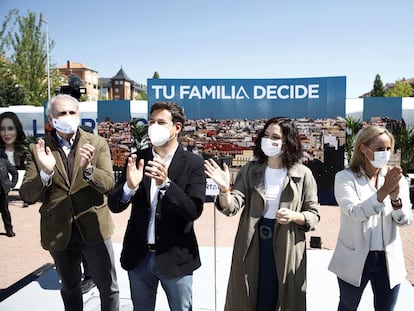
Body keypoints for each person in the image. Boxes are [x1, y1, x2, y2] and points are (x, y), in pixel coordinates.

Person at [204, 117, 320, 311]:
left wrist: (294, 216)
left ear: (287, 141)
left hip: (287, 242)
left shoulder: (303, 174)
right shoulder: (250, 170)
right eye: (266, 135)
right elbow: (232, 206)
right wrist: (224, 190)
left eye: (275, 136)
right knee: (251, 295)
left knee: (281, 296)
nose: (269, 140)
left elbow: (314, 215)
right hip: (253, 241)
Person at [19, 94, 120, 310]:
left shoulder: (97, 143)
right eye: (61, 113)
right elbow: (27, 194)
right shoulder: (37, 149)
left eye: (72, 112)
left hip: (94, 228)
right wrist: (45, 172)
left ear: (79, 115)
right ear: (51, 119)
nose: (67, 117)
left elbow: (109, 184)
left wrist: (88, 170)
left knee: (108, 288)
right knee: (70, 288)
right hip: (58, 230)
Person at [108, 101, 206, 311]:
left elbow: (193, 210)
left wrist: (166, 185)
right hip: (139, 256)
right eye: (151, 122)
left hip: (176, 258)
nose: (153, 126)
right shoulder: (137, 159)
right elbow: (114, 205)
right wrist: (129, 187)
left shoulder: (193, 163)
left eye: (161, 122)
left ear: (177, 127)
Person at [328, 125, 413, 311]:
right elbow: (355, 212)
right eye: (379, 149)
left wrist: (395, 199)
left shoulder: (396, 178)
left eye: (388, 148)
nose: (385, 153)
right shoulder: (345, 178)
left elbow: (405, 220)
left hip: (388, 259)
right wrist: (382, 193)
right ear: (364, 149)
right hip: (355, 256)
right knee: (347, 306)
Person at [0, 112, 28, 208]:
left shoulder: (24, 150)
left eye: (10, 128)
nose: (7, 133)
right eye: (3, 129)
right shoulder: (1, 153)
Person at [0, 150, 18, 237]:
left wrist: (12, 184)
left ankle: (9, 230)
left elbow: (14, 172)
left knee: (5, 212)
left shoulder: (4, 162)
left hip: (3, 192)